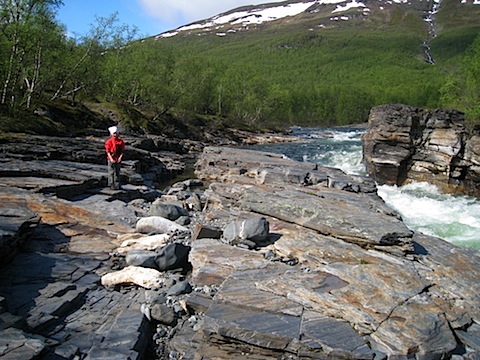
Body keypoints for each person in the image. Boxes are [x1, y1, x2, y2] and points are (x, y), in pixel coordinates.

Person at [105, 126, 125, 190]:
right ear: (111, 134)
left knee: (117, 172)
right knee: (111, 172)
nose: (115, 135)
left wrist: (120, 158)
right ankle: (111, 184)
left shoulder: (121, 142)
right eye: (114, 133)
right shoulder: (109, 141)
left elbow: (122, 151)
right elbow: (107, 151)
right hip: (111, 158)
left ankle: (117, 185)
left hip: (118, 158)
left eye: (116, 133)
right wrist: (111, 158)